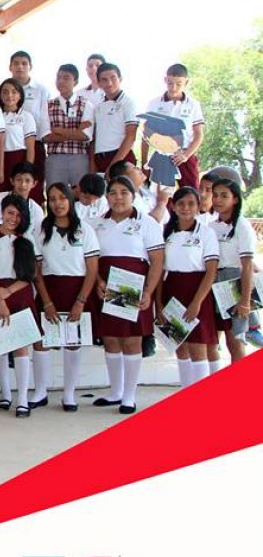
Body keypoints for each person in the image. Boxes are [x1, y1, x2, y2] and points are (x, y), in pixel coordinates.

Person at [89, 175, 165, 415]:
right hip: (106, 287)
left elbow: (157, 261)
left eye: (124, 192)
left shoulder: (147, 223)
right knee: (111, 338)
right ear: (106, 196)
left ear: (133, 196)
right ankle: (116, 391)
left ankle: (129, 396)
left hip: (134, 286)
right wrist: (98, 282)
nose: (118, 197)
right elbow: (89, 260)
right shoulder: (96, 224)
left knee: (132, 340)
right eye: (113, 193)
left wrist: (149, 291)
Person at [34, 182, 99, 411]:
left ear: (70, 200)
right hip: (49, 290)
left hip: (77, 291)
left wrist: (81, 302)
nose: (57, 203)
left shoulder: (85, 230)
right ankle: (40, 391)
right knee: (41, 342)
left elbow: (92, 270)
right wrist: (47, 302)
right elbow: (37, 271)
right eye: (52, 199)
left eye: (62, 197)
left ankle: (69, 394)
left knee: (73, 343)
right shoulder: (41, 230)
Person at [0, 194, 41, 417]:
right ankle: (5, 394)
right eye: (10, 212)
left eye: (18, 214)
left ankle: (22, 398)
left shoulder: (27, 239)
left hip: (20, 293)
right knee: (0, 345)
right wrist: (0, 299)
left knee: (21, 346)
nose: (13, 218)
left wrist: (10, 291)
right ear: (2, 212)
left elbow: (30, 274)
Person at [157, 186, 220, 387]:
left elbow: (211, 271)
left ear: (198, 206)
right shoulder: (166, 233)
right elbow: (159, 271)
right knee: (180, 346)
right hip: (172, 290)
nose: (185, 208)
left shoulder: (206, 234)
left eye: (191, 203)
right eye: (181, 203)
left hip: (197, 291)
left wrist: (196, 303)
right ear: (173, 207)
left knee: (198, 347)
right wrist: (158, 304)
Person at [209, 178, 253, 365]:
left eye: (224, 195)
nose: (218, 199)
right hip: (211, 281)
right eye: (215, 195)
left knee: (234, 341)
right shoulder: (211, 226)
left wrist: (244, 299)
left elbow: (247, 264)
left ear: (235, 199)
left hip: (232, 281)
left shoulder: (241, 226)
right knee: (211, 340)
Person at [146, 64, 205, 189]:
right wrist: (144, 161)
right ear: (165, 80)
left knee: (191, 193)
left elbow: (198, 135)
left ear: (186, 82)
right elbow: (146, 135)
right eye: (170, 83)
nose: (173, 88)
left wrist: (186, 155)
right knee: (162, 197)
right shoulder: (154, 104)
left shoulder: (193, 105)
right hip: (162, 156)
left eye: (178, 84)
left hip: (184, 155)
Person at [44, 64, 94, 189]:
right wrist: (75, 131)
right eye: (58, 77)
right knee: (54, 194)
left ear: (75, 81)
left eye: (66, 78)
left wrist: (58, 130)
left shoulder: (86, 105)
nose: (61, 81)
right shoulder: (47, 105)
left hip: (79, 158)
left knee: (81, 195)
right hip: (55, 157)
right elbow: (45, 136)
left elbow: (85, 136)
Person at [7, 50, 50, 190]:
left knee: (32, 187)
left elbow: (45, 119)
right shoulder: (0, 91)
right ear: (10, 67)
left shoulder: (41, 90)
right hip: (9, 146)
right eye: (16, 63)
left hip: (34, 145)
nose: (20, 67)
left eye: (24, 63)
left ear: (30, 67)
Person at [91, 63, 139, 174]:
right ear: (98, 83)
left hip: (121, 159)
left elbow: (131, 136)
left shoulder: (128, 103)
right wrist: (93, 167)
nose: (109, 83)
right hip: (100, 159)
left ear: (120, 79)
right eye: (104, 80)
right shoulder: (98, 107)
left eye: (113, 78)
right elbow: (95, 139)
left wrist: (113, 166)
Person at [0, 78, 37, 195]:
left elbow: (30, 148)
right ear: (0, 95)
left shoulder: (26, 116)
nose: (9, 95)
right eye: (5, 92)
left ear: (20, 95)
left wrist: (28, 170)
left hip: (18, 159)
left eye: (14, 92)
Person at [0, 162, 45, 241]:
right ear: (12, 181)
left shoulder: (37, 210)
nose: (23, 184)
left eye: (27, 180)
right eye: (19, 180)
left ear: (34, 183)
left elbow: (37, 238)